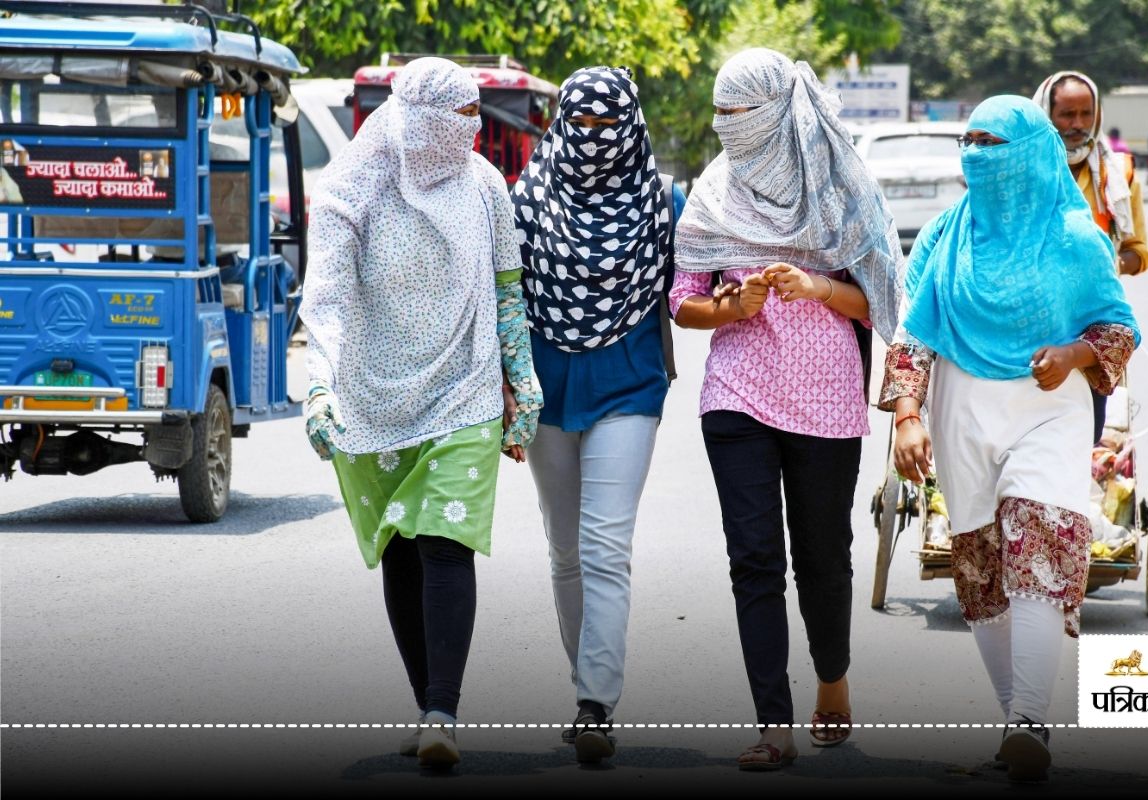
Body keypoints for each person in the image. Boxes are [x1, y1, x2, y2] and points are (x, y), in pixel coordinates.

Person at [882, 95, 1139, 783]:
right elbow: (912, 334)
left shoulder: (1076, 237)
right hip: (960, 408)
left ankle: (1028, 718)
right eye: (967, 140)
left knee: (1042, 540)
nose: (975, 154)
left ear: (1027, 152)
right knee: (982, 566)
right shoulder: (944, 234)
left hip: (1049, 405)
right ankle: (1019, 722)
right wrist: (908, 415)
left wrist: (1072, 355)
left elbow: (1117, 330)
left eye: (991, 141)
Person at [299, 57, 542, 770]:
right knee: (400, 548)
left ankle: (443, 709)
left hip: (463, 391)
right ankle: (425, 704)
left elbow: (506, 293)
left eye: (477, 116)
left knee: (443, 540)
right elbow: (329, 300)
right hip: (374, 399)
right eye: (463, 117)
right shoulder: (351, 190)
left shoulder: (485, 188)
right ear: (425, 121)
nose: (474, 130)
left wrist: (519, 384)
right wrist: (321, 387)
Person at [669, 48, 903, 771]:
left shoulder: (840, 187)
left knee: (824, 558)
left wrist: (818, 289)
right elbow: (683, 302)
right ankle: (773, 721)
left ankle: (831, 679)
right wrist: (729, 306)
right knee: (755, 561)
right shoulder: (714, 191)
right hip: (736, 397)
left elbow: (884, 299)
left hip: (827, 401)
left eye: (740, 113)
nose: (726, 126)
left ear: (778, 110)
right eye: (721, 113)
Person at [510, 65, 683, 765]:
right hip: (547, 388)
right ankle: (586, 683)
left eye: (605, 124)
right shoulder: (526, 198)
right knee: (565, 549)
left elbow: (692, 287)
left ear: (631, 125)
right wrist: (505, 391)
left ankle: (594, 702)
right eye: (577, 123)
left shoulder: (663, 202)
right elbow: (505, 297)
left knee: (605, 546)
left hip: (628, 386)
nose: (590, 137)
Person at [1032, 71, 1148, 446]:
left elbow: (1139, 250)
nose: (1078, 124)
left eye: (1087, 114)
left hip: (1092, 327)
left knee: (1086, 431)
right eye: (1067, 114)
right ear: (1045, 115)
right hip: (1030, 320)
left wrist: (1110, 265)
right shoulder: (1024, 170)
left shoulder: (1119, 175)